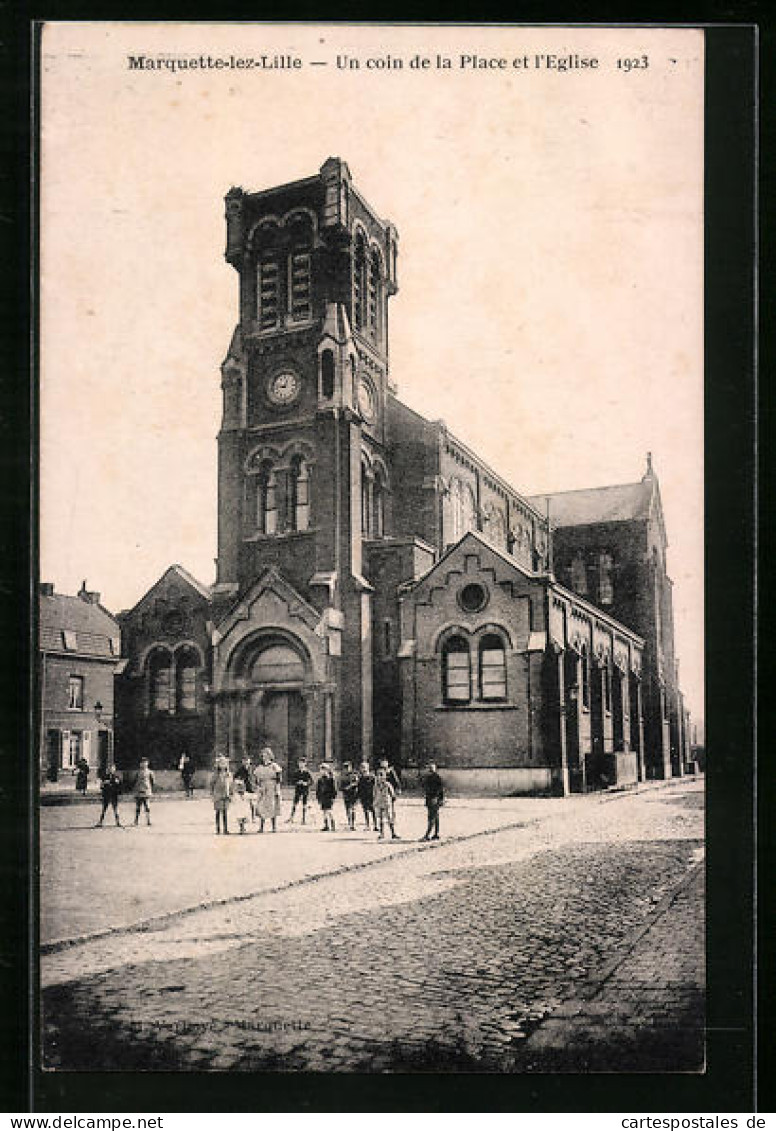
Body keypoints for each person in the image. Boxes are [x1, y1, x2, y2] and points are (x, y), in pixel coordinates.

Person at [254, 747, 282, 832]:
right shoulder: (260, 767)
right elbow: (256, 778)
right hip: (263, 788)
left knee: (272, 806)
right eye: (263, 755)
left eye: (266, 755)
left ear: (270, 756)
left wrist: (276, 788)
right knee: (262, 806)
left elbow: (279, 778)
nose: (264, 757)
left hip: (271, 787)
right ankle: (261, 827)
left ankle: (274, 827)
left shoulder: (274, 766)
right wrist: (259, 786)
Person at [420, 761, 444, 841]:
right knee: (435, 816)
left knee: (431, 817)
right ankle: (436, 834)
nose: (430, 770)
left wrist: (441, 799)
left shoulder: (432, 778)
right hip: (434, 799)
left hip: (432, 799)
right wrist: (441, 799)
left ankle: (427, 835)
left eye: (431, 768)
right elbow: (441, 790)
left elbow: (440, 789)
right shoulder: (435, 777)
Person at [210, 754, 233, 835]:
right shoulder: (216, 774)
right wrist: (212, 793)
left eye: (224, 763)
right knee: (218, 811)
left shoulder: (229, 774)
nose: (223, 765)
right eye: (221, 763)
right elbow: (212, 784)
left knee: (225, 812)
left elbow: (231, 784)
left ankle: (225, 829)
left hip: (226, 794)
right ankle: (218, 828)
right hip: (218, 794)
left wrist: (231, 793)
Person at [374, 768, 399, 840]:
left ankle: (393, 833)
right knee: (381, 819)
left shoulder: (388, 785)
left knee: (389, 818)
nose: (379, 777)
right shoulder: (376, 785)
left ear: (385, 776)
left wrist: (392, 802)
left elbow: (393, 795)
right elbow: (374, 794)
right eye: (378, 775)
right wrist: (375, 802)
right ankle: (382, 834)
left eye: (381, 775)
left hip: (387, 803)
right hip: (379, 803)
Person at [287, 758, 313, 824]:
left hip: (305, 790)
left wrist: (306, 783)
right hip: (298, 789)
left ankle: (303, 819)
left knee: (304, 804)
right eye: (299, 763)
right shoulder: (296, 772)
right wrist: (297, 782)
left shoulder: (307, 772)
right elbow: (293, 781)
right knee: (295, 804)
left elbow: (311, 781)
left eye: (302, 763)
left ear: (305, 764)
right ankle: (291, 818)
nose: (301, 765)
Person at [316, 762, 337, 831]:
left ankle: (333, 824)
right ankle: (326, 825)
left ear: (327, 770)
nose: (321, 771)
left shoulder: (331, 779)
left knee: (329, 811)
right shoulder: (320, 780)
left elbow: (334, 789)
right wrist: (318, 798)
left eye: (323, 769)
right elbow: (318, 790)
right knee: (324, 812)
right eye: (321, 770)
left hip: (329, 797)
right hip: (323, 797)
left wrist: (333, 797)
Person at [133, 758, 154, 827]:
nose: (143, 764)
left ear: (147, 763)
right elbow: (135, 781)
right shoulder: (138, 772)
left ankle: (148, 820)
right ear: (140, 764)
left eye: (145, 762)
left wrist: (150, 790)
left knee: (147, 807)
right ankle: (136, 821)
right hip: (139, 791)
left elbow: (152, 781)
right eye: (142, 763)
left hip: (146, 791)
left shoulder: (150, 772)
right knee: (138, 807)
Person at [234, 755, 257, 820]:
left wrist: (257, 784)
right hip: (244, 789)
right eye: (244, 761)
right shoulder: (240, 769)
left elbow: (256, 777)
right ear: (242, 762)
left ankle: (253, 817)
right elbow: (235, 777)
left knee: (253, 804)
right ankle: (246, 817)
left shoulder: (253, 768)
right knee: (245, 804)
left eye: (247, 760)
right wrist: (239, 782)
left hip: (252, 788)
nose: (246, 762)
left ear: (249, 761)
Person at [357, 761, 377, 831]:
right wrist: (359, 796)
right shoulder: (361, 778)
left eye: (364, 767)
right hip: (364, 797)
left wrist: (376, 795)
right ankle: (367, 825)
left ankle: (375, 825)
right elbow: (359, 788)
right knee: (366, 811)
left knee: (373, 811)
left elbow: (376, 786)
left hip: (372, 796)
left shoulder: (372, 777)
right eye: (362, 768)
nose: (363, 769)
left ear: (368, 768)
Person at [340, 761, 360, 831]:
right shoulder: (343, 776)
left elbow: (357, 783)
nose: (346, 769)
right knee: (348, 810)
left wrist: (350, 786)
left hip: (353, 794)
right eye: (345, 768)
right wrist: (343, 789)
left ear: (350, 767)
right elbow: (340, 786)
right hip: (346, 795)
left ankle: (353, 824)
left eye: (348, 767)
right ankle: (350, 823)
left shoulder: (354, 774)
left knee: (353, 809)